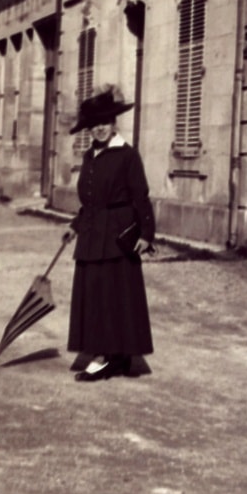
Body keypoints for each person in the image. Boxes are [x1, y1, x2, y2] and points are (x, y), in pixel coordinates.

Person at [64, 86, 155, 382]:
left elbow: (140, 196)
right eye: (94, 124)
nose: (100, 128)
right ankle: (111, 352)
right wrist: (74, 226)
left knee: (115, 295)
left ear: (114, 123)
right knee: (94, 294)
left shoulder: (127, 155)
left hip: (117, 235)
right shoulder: (91, 155)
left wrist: (146, 234)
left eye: (105, 123)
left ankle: (112, 358)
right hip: (92, 234)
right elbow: (91, 200)